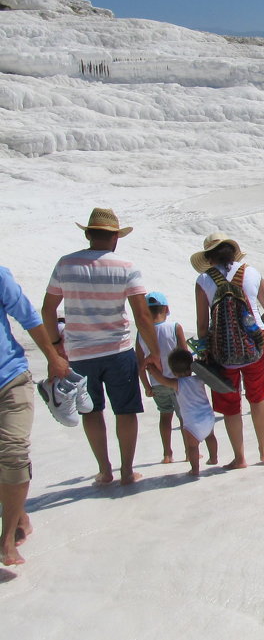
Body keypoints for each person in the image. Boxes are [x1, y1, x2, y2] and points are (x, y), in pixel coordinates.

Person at [42, 208, 161, 486]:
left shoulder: (66, 264)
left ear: (87, 234)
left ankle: (105, 470)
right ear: (116, 237)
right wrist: (154, 352)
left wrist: (57, 345)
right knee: (126, 410)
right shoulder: (126, 266)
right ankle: (128, 471)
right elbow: (142, 315)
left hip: (81, 353)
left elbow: (48, 309)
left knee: (92, 411)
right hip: (118, 350)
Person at [191, 232, 264, 469]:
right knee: (257, 397)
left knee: (230, 404)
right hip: (255, 346)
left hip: (222, 352)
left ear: (209, 257)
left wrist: (206, 349)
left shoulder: (203, 281)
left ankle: (239, 458)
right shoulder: (252, 273)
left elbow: (201, 325)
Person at [1, 266, 70, 566]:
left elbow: (28, 317)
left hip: (10, 379)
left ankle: (6, 543)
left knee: (14, 455)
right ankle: (19, 516)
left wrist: (53, 358)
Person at [134, 292, 188, 464]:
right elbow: (185, 355)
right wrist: (188, 379)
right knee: (183, 417)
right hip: (177, 382)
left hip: (156, 383)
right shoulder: (174, 327)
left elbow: (140, 362)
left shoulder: (141, 333)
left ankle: (167, 454)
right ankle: (189, 451)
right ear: (166, 308)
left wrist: (146, 386)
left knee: (165, 416)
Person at [151, 349, 218, 477]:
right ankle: (213, 458)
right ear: (191, 367)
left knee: (192, 447)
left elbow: (162, 380)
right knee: (211, 437)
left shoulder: (177, 383)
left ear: (173, 372)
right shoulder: (198, 379)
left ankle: (195, 469)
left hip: (192, 422)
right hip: (207, 417)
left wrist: (152, 369)